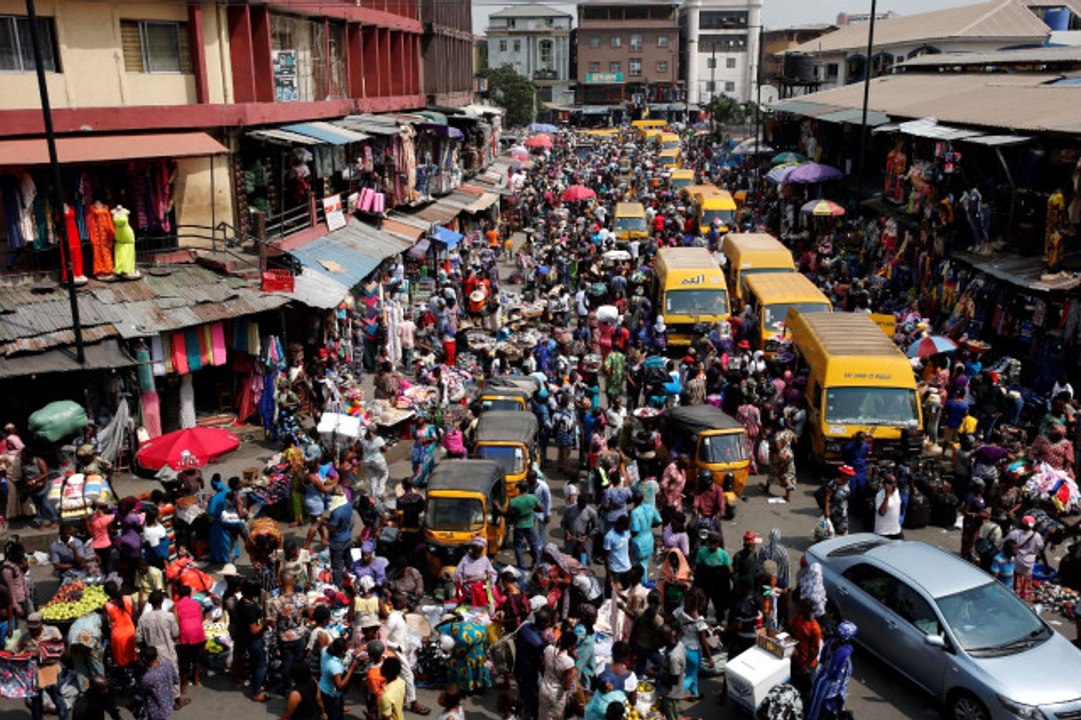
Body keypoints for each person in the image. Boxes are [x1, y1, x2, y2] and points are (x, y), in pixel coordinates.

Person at [18, 611, 70, 720]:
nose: (32, 630)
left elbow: (61, 649)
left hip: (52, 672)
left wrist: (43, 653)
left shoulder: (53, 631)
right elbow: (15, 651)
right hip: (34, 674)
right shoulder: (25, 637)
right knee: (36, 702)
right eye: (30, 628)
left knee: (58, 699)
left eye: (35, 628)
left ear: (41, 624)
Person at [806, 620, 858, 720]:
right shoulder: (845, 656)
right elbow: (842, 679)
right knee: (822, 712)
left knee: (813, 704)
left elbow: (822, 659)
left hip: (820, 678)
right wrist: (840, 698)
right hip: (830, 686)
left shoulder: (830, 643)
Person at [672, 589, 713, 700]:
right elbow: (703, 641)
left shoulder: (680, 611)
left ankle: (695, 693)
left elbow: (670, 620)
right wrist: (710, 658)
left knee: (692, 673)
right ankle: (675, 696)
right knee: (689, 676)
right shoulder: (699, 622)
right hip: (693, 651)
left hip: (681, 646)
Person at [236, 576, 269, 702]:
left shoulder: (242, 603)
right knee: (261, 665)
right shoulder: (248, 608)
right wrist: (265, 623)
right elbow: (254, 629)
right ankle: (256, 692)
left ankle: (257, 684)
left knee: (255, 664)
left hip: (247, 640)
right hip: (254, 640)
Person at [135, 589, 180, 676]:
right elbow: (175, 633)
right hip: (168, 653)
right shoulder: (169, 616)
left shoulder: (143, 618)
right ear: (162, 601)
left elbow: (138, 638)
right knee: (172, 679)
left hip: (152, 656)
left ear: (150, 602)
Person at [538, 631, 578, 720]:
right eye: (575, 645)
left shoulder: (548, 649)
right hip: (557, 695)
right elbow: (567, 686)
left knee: (543, 716)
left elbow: (542, 665)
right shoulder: (569, 662)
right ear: (571, 646)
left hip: (544, 688)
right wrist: (574, 670)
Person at [173, 584, 205, 693]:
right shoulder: (196, 604)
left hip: (185, 635)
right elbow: (201, 619)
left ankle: (184, 685)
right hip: (198, 633)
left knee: (184, 660)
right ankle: (196, 679)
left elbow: (176, 622)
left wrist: (176, 637)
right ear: (190, 594)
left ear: (178, 595)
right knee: (197, 658)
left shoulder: (176, 605)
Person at [789, 598, 822, 703]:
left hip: (807, 666)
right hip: (796, 660)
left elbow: (815, 651)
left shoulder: (815, 629)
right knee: (793, 688)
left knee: (806, 694)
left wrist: (805, 666)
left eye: (801, 608)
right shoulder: (799, 618)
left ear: (808, 610)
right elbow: (790, 628)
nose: (799, 610)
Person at [1005, 515, 1045, 601]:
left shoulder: (1015, 533)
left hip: (1017, 562)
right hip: (1029, 564)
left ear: (1022, 524)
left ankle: (1016, 595)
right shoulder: (1037, 536)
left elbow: (1005, 541)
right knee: (1026, 579)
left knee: (1016, 580)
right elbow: (1041, 547)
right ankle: (1025, 595)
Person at [320, 638, 361, 720]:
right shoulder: (334, 666)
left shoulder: (325, 651)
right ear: (342, 652)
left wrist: (352, 658)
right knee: (334, 716)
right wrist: (351, 670)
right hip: (332, 695)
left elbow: (323, 642)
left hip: (323, 687)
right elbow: (339, 686)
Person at [139, 645, 182, 720]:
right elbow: (176, 680)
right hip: (169, 702)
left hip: (155, 709)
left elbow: (142, 693)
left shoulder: (147, 678)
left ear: (144, 659)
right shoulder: (167, 664)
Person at [509, 480, 542, 570]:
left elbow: (510, 514)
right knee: (533, 544)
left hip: (518, 526)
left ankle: (521, 566)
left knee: (518, 546)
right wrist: (532, 508)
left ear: (518, 489)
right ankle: (535, 564)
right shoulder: (532, 498)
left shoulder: (513, 502)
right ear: (527, 488)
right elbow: (540, 509)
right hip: (529, 525)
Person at [628, 490, 662, 576]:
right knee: (645, 565)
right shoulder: (650, 507)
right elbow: (659, 521)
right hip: (649, 540)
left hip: (639, 543)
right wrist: (648, 526)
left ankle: (640, 585)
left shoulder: (634, 513)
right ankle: (643, 584)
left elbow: (635, 530)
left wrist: (628, 540)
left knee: (638, 567)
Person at [657, 625, 686, 720]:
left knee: (672, 716)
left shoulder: (674, 657)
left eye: (659, 639)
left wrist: (656, 675)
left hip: (671, 694)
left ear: (665, 637)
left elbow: (674, 679)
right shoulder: (678, 644)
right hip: (668, 691)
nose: (657, 641)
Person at [604, 513, 633, 593]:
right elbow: (605, 556)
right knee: (615, 594)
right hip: (615, 572)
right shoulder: (609, 537)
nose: (628, 528)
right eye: (626, 527)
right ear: (621, 525)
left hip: (626, 569)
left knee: (626, 592)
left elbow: (629, 547)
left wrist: (631, 562)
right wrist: (609, 574)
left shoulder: (626, 532)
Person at [822, 467, 853, 536]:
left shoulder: (848, 483)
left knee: (844, 528)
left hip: (843, 511)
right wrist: (826, 510)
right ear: (843, 475)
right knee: (831, 530)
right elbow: (827, 497)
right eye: (848, 476)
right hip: (833, 511)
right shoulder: (833, 484)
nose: (849, 478)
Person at [873, 474, 904, 540]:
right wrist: (887, 496)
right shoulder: (880, 495)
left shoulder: (897, 492)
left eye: (895, 482)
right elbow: (882, 513)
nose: (895, 485)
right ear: (886, 484)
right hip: (883, 533)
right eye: (892, 483)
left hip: (896, 531)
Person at [378, 656, 407, 720]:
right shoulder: (402, 682)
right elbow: (404, 699)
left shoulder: (386, 696)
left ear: (388, 673)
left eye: (383, 666)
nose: (381, 668)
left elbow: (386, 718)